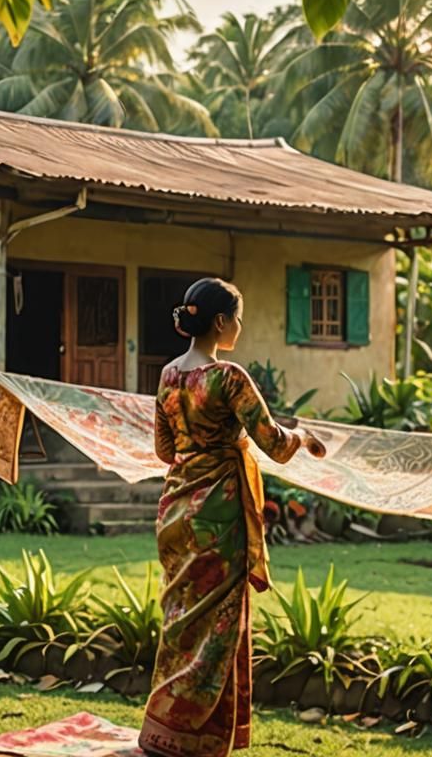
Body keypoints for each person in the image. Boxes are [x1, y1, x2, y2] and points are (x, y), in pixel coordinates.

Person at [139, 278, 326, 757]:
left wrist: (198, 447)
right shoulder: (228, 378)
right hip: (219, 515)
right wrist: (303, 436)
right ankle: (196, 737)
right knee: (217, 627)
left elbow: (165, 450)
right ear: (220, 322)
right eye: (237, 317)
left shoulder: (167, 377)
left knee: (182, 620)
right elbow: (277, 447)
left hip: (176, 510)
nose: (240, 326)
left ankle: (163, 729)